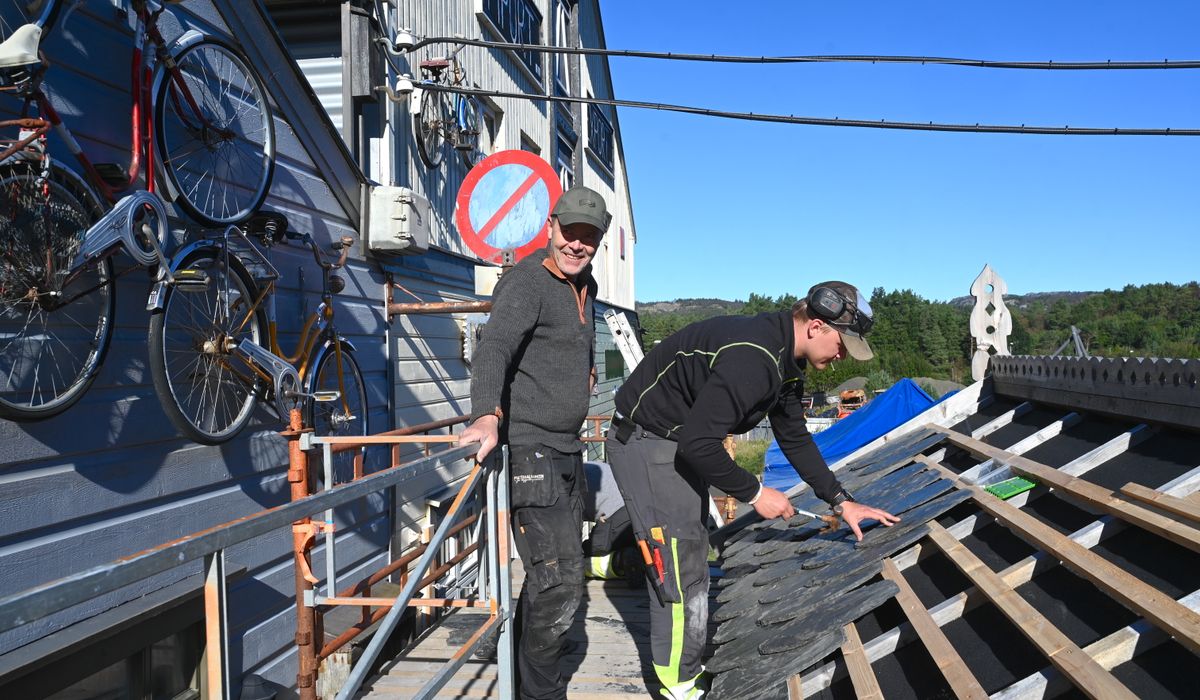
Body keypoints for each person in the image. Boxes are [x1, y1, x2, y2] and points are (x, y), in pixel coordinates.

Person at [605, 281, 900, 699]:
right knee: (682, 558)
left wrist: (841, 500)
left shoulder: (786, 361)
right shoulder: (754, 358)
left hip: (676, 438)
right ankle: (679, 684)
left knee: (681, 534)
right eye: (841, 345)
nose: (842, 357)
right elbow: (699, 445)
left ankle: (608, 558)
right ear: (816, 326)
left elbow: (795, 438)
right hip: (646, 438)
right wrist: (756, 493)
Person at [458, 184, 611, 699]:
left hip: (567, 449)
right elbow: (494, 348)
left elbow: (576, 342)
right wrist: (486, 415)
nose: (577, 244)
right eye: (570, 232)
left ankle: (523, 675)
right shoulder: (526, 282)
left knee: (555, 575)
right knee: (560, 582)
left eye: (588, 237)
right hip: (530, 449)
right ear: (551, 227)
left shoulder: (585, 284)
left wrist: (586, 373)